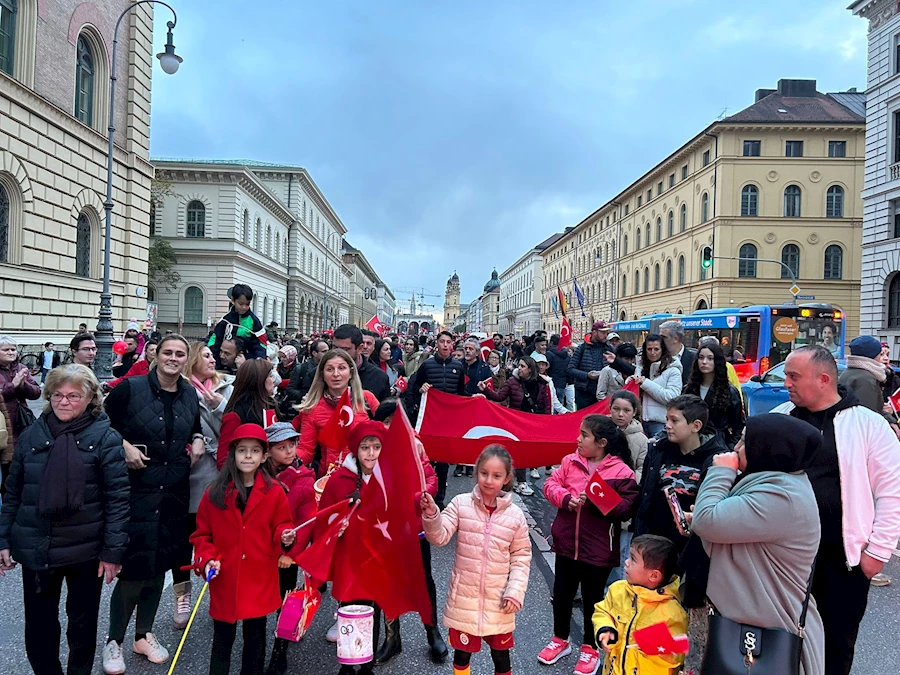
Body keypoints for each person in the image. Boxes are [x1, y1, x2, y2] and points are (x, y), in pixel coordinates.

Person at [773, 346, 900, 675]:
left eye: (793, 376)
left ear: (823, 380)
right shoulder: (780, 417)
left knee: (836, 648)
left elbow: (892, 493)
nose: (785, 383)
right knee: (780, 646)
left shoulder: (868, 425)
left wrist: (876, 554)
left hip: (843, 563)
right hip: (783, 561)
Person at [0, 364, 129, 675]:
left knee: (82, 626)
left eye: (73, 396)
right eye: (57, 395)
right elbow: (12, 492)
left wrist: (113, 552)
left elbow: (118, 499)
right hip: (37, 546)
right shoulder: (31, 435)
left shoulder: (106, 438)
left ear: (90, 399)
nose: (64, 402)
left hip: (86, 549)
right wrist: (3, 539)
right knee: (39, 627)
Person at [690, 414, 825, 675]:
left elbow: (707, 521)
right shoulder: (776, 482)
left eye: (744, 442)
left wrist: (721, 471)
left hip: (768, 626)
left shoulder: (782, 496)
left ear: (767, 449)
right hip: (754, 618)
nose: (736, 448)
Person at [102, 334, 205, 673]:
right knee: (134, 566)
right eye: (168, 353)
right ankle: (114, 640)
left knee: (159, 564)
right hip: (136, 489)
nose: (173, 358)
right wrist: (124, 446)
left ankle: (143, 634)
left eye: (180, 354)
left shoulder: (188, 392)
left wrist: (198, 438)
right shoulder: (130, 389)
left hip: (174, 490)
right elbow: (101, 424)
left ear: (186, 360)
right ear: (156, 356)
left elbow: (193, 425)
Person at [192, 423, 296, 675]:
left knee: (255, 639)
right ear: (233, 454)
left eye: (255, 451)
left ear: (264, 456)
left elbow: (282, 524)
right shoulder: (214, 493)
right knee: (222, 639)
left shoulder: (275, 492)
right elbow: (202, 535)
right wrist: (207, 559)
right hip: (226, 575)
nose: (248, 456)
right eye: (242, 450)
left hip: (259, 574)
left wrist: (285, 536)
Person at [539, 416, 640, 674]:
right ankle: (560, 639)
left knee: (593, 600)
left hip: (598, 549)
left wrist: (597, 497)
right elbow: (550, 485)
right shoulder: (569, 461)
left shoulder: (622, 471)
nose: (578, 439)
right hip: (566, 543)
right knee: (562, 593)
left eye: (584, 435)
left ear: (602, 443)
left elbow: (626, 509)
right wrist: (565, 498)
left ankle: (590, 647)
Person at [421, 446, 531, 675]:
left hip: (499, 600)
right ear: (476, 471)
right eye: (484, 473)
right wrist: (432, 515)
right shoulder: (460, 504)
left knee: (501, 656)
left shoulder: (515, 516)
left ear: (507, 478)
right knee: (462, 655)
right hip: (465, 599)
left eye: (496, 475)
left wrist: (515, 591)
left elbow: (521, 556)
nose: (489, 480)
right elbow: (440, 537)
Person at [370, 399, 448, 664]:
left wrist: (418, 497)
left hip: (413, 528)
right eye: (386, 422)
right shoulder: (371, 449)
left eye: (396, 423)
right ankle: (392, 638)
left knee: (423, 580)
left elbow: (430, 479)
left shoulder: (414, 446)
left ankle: (432, 632)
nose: (390, 428)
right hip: (383, 529)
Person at [317, 421, 392, 673]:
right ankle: (348, 664)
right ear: (355, 450)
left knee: (373, 611)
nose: (371, 453)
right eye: (365, 447)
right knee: (348, 610)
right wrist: (335, 527)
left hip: (377, 558)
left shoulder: (389, 477)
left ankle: (367, 664)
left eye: (376, 447)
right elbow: (324, 516)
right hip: (349, 557)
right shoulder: (340, 479)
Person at [177, 342, 235, 629]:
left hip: (222, 472)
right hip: (192, 472)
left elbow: (236, 426)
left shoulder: (227, 387)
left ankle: (219, 595)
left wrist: (218, 406)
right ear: (193, 362)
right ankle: (182, 594)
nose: (214, 360)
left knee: (220, 538)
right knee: (184, 537)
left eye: (214, 356)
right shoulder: (181, 389)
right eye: (207, 356)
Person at [632, 395, 727, 559]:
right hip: (653, 542)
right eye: (667, 419)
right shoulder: (658, 450)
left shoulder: (716, 459)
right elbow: (645, 492)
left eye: (674, 421)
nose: (667, 425)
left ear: (695, 426)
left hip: (689, 547)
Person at [592, 535, 688, 675]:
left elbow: (677, 657)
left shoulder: (673, 612)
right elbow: (603, 611)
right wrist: (604, 628)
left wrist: (654, 645)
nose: (626, 562)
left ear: (653, 576)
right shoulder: (618, 589)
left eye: (633, 559)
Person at [264, 421, 316, 675]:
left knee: (286, 600)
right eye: (280, 447)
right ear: (269, 451)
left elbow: (306, 523)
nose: (288, 451)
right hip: (261, 549)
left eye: (291, 445)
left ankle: (280, 650)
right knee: (263, 598)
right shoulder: (259, 476)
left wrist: (291, 553)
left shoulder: (303, 478)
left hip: (287, 552)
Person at [293, 348, 380, 476]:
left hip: (367, 475)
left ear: (351, 373)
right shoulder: (312, 407)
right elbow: (306, 451)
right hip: (331, 477)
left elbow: (389, 431)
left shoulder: (366, 399)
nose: (336, 374)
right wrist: (285, 456)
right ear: (322, 375)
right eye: (330, 369)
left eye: (341, 368)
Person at [402, 330, 466, 505]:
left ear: (452, 345)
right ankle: (424, 495)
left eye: (448, 342)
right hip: (430, 420)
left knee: (444, 462)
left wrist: (475, 399)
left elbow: (461, 393)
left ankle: (439, 499)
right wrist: (421, 388)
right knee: (427, 459)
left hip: (448, 421)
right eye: (442, 341)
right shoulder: (427, 365)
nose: (445, 345)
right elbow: (414, 387)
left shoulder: (459, 367)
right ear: (437, 344)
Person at [479, 355, 551, 496]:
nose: (520, 368)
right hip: (516, 422)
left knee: (528, 452)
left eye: (523, 366)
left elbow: (546, 405)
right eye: (519, 365)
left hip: (534, 422)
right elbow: (499, 396)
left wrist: (546, 423)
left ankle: (514, 479)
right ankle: (521, 482)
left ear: (530, 369)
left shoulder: (542, 383)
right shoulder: (512, 381)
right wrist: (485, 390)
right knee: (520, 451)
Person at [605, 389, 649, 588]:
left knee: (621, 549)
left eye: (626, 410)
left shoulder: (641, 439)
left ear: (634, 412)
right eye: (616, 409)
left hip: (625, 498)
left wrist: (622, 483)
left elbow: (642, 469)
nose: (620, 414)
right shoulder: (601, 430)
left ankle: (615, 591)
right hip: (600, 493)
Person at [217, 359, 278, 469]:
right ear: (258, 380)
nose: (273, 380)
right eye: (270, 376)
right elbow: (223, 461)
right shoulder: (235, 415)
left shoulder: (270, 404)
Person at [683, 342, 745, 449]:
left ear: (717, 361)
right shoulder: (689, 389)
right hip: (690, 444)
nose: (704, 362)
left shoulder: (729, 391)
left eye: (710, 358)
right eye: (701, 358)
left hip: (718, 446)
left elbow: (739, 426)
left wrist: (730, 447)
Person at [0, 335, 41, 491]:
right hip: (3, 422)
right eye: (6, 350)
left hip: (21, 421)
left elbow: (36, 392)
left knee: (19, 460)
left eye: (13, 349)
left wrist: (23, 385)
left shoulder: (21, 368)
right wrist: (13, 385)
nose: (11, 352)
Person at [630, 334, 682, 437]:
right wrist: (631, 382)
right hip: (639, 422)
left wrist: (645, 383)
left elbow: (672, 398)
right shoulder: (641, 367)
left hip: (660, 423)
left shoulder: (673, 370)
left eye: (656, 349)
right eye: (649, 349)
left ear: (663, 350)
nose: (653, 353)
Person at [208, 284, 268, 368]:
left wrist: (258, 362)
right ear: (233, 300)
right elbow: (215, 341)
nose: (244, 307)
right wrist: (213, 361)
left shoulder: (254, 322)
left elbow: (261, 344)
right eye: (241, 304)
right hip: (222, 365)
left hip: (247, 365)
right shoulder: (225, 320)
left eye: (247, 304)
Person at [568, 321, 619, 410]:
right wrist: (587, 375)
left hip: (604, 393)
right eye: (603, 332)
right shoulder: (582, 348)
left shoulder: (610, 349)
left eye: (607, 333)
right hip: (584, 393)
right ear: (594, 332)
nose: (606, 335)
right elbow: (570, 370)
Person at [333, 324, 391, 402]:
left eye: (345, 350)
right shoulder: (322, 372)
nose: (337, 354)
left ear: (360, 348)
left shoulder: (379, 377)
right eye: (335, 348)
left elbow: (385, 408)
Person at [287, 338, 329, 407]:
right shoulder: (301, 369)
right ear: (314, 353)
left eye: (328, 351)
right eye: (324, 351)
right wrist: (306, 395)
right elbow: (290, 390)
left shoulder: (330, 368)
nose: (327, 354)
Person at [658, 320, 695, 387]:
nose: (660, 340)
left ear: (676, 339)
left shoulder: (694, 359)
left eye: (664, 337)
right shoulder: (656, 357)